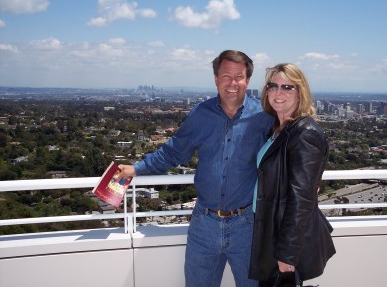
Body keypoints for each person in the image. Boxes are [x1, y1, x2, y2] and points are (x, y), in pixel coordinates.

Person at [115, 50, 274, 287]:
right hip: (204, 224)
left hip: (247, 226)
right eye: (226, 76)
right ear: (215, 78)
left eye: (239, 76)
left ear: (248, 81)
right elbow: (173, 151)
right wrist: (136, 169)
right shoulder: (201, 114)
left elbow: (285, 151)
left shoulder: (263, 116)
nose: (232, 83)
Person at [249, 63, 336, 286]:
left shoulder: (304, 133)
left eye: (287, 87)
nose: (278, 93)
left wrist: (287, 255)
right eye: (273, 86)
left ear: (300, 92)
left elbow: (302, 199)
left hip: (284, 241)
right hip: (271, 231)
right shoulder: (278, 130)